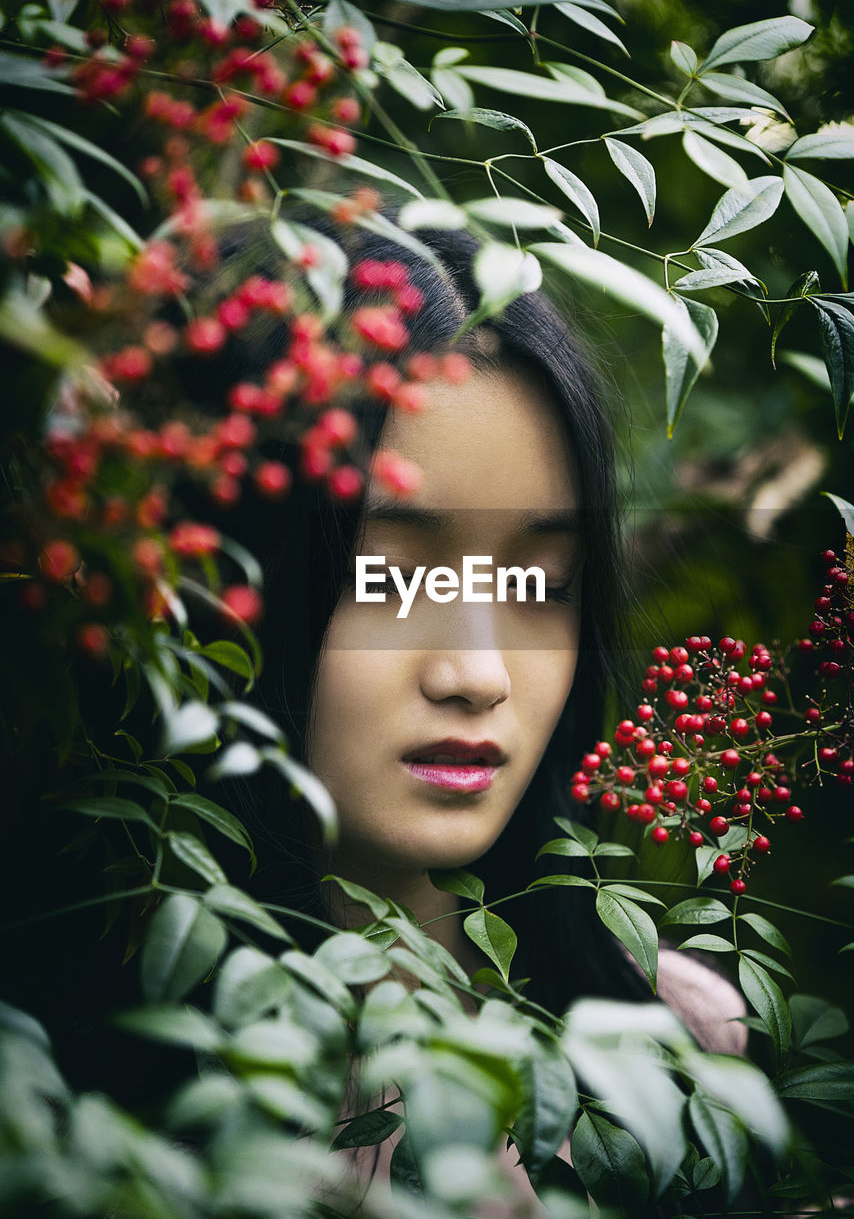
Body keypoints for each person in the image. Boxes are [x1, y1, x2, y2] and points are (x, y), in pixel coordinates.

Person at [216, 221, 747, 1056]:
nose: (479, 674)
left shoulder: (683, 1054)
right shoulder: (73, 1105)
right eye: (385, 577)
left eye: (540, 584)